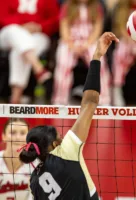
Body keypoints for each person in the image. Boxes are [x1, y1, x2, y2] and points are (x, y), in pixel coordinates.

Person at [18, 32, 119, 199]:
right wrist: (96, 57)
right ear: (53, 144)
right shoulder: (66, 151)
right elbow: (90, 102)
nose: (63, 137)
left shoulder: (34, 180)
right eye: (59, 136)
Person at [52, 0, 111, 105]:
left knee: (100, 63)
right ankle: (60, 99)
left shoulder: (97, 6)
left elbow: (98, 28)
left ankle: (104, 98)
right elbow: (64, 28)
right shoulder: (67, 6)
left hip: (90, 40)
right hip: (70, 41)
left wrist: (87, 44)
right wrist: (71, 45)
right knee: (63, 63)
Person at [0, 0, 59, 104]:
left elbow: (55, 19)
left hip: (38, 33)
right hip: (9, 33)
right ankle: (39, 69)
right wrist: (22, 26)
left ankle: (15, 98)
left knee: (19, 51)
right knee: (14, 31)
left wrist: (39, 27)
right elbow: (2, 16)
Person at [0, 118, 35, 200]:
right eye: (12, 132)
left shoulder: (36, 165)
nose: (18, 137)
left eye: (22, 133)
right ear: (3, 136)